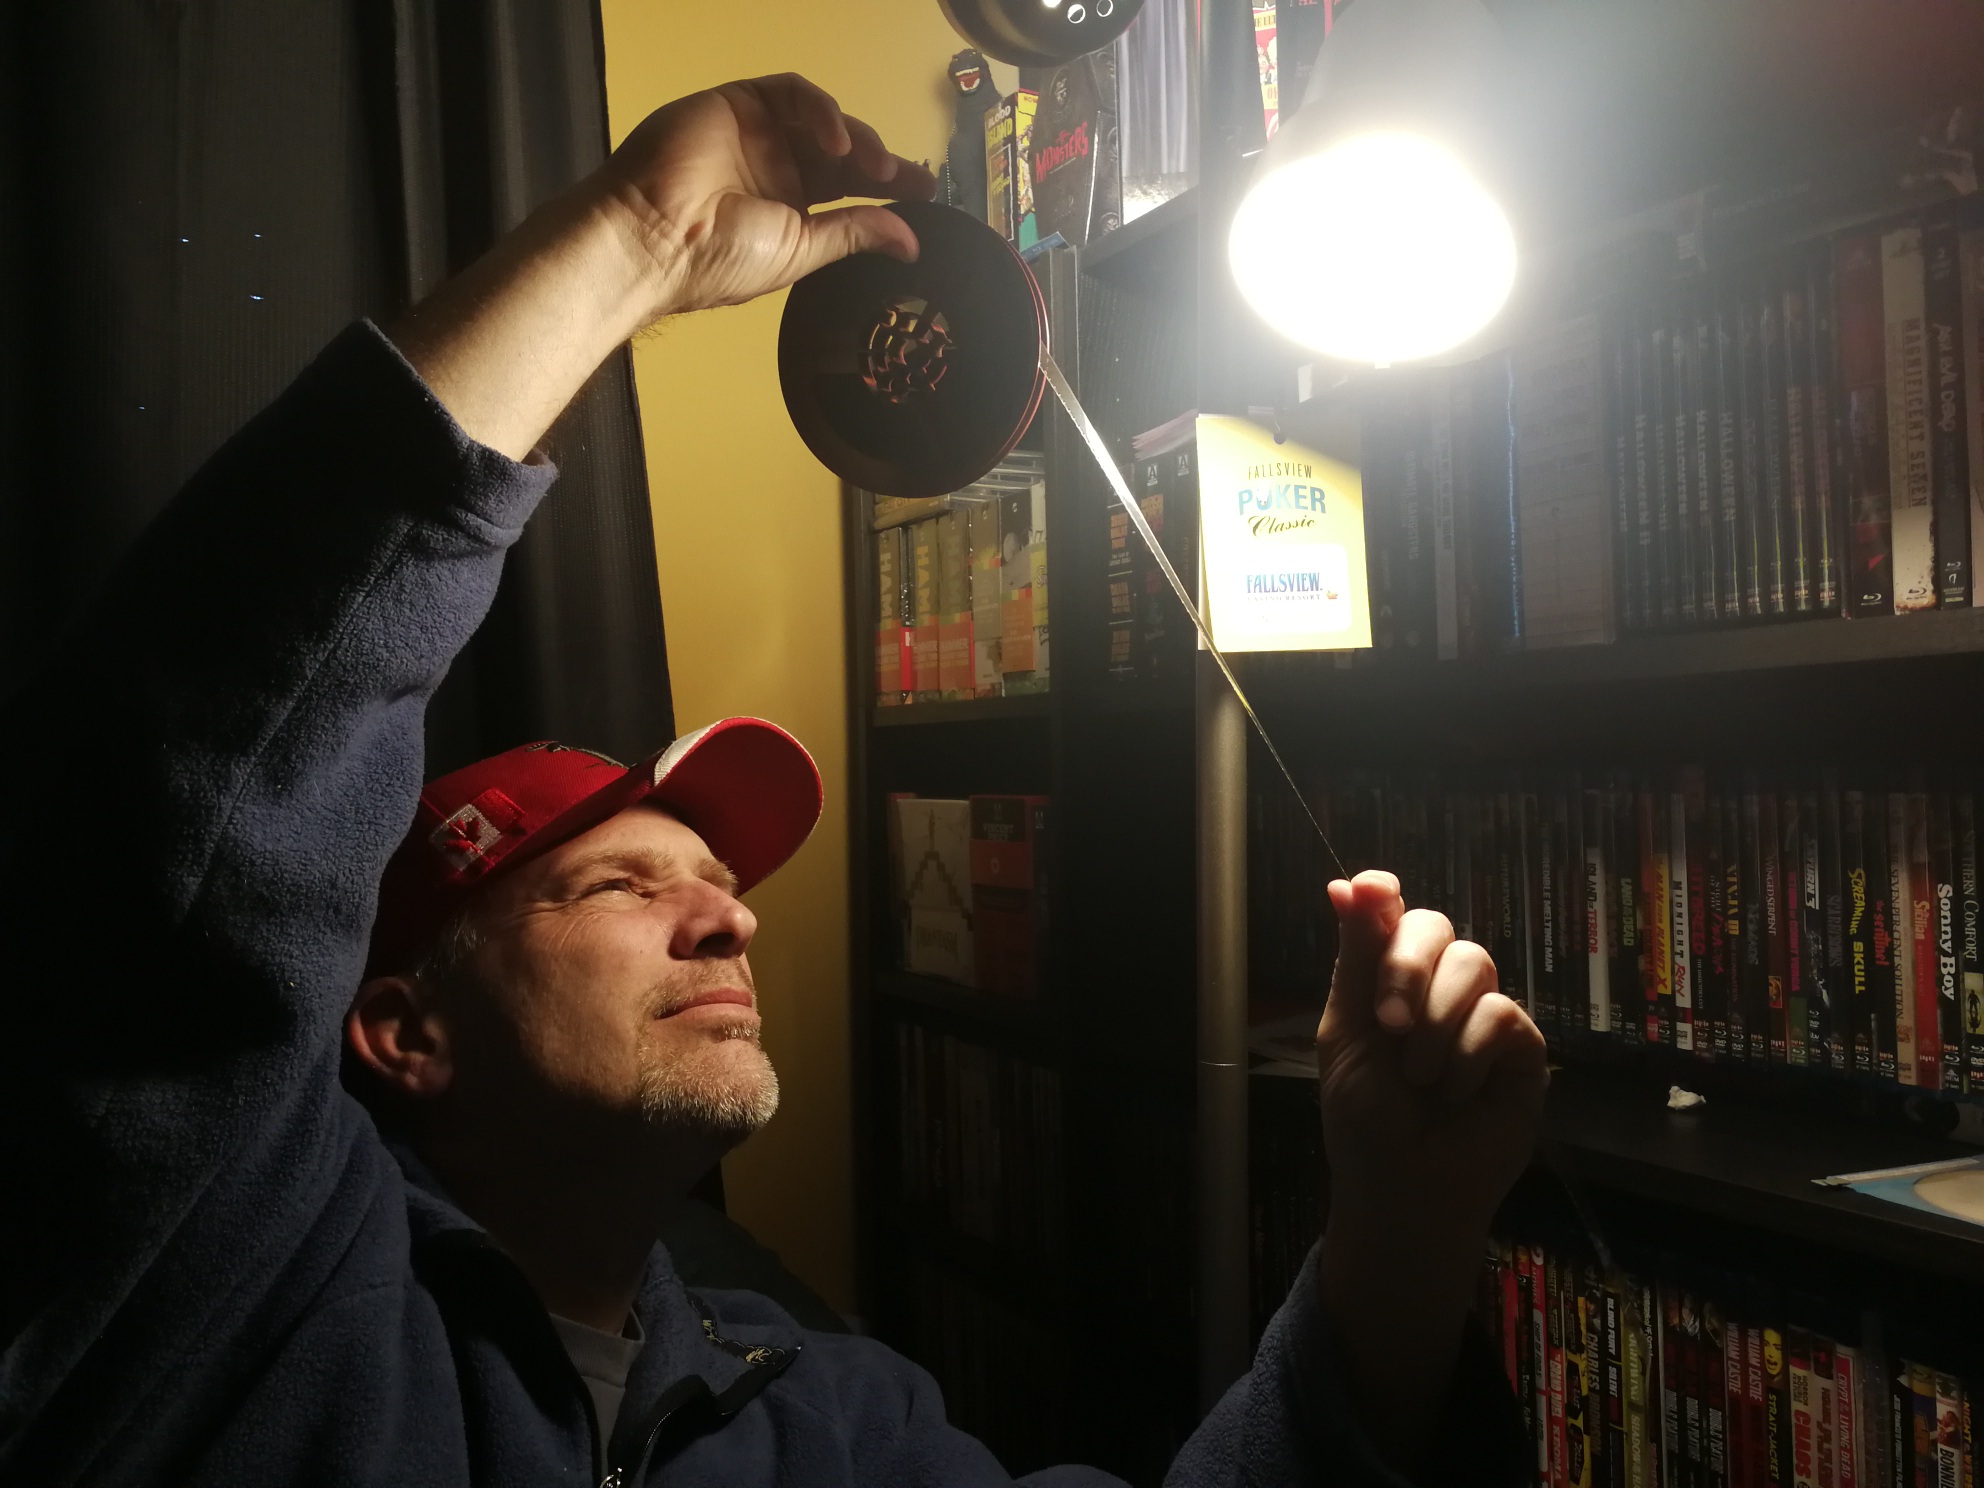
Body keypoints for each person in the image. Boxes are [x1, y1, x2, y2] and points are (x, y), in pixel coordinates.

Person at [0, 72, 1547, 1487]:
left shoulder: (839, 1420)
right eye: (622, 883)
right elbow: (200, 766)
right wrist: (637, 239)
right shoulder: (227, 1283)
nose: (731, 923)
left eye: (724, 887)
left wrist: (1401, 1236)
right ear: (408, 1032)